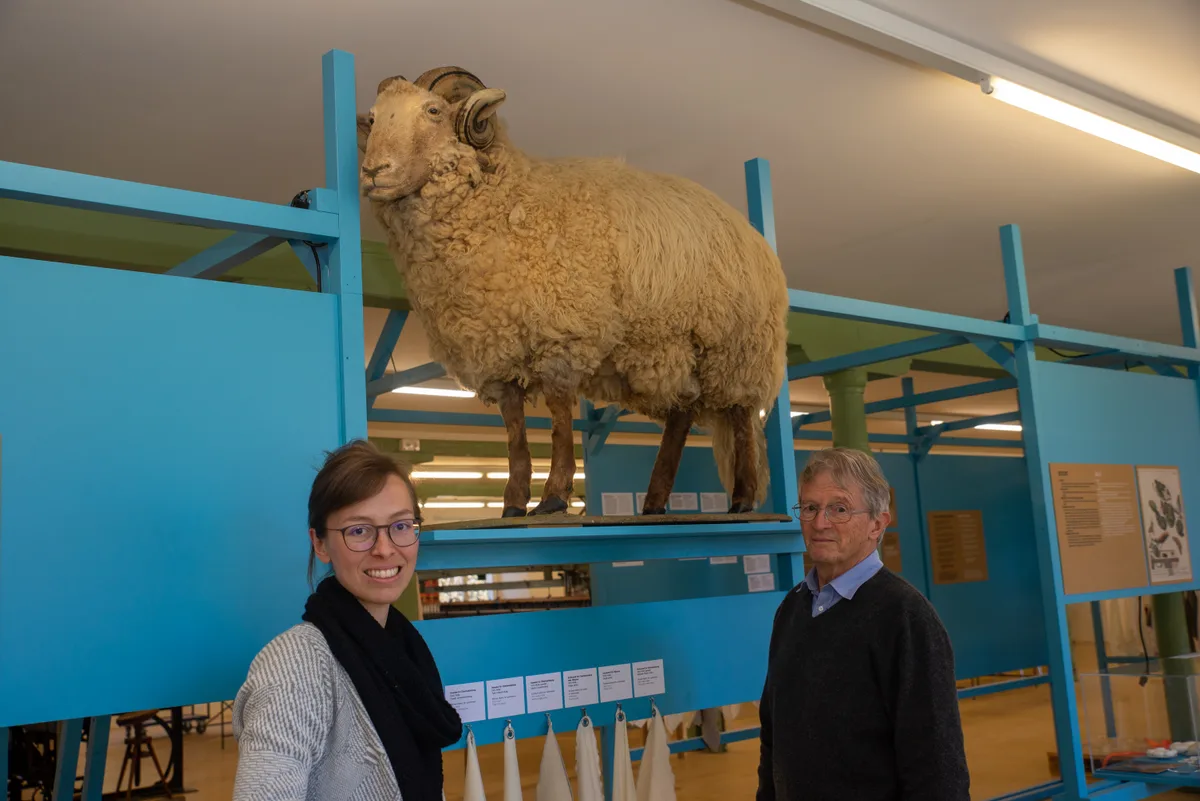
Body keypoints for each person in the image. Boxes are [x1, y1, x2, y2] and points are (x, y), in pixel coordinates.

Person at [231, 439, 462, 801]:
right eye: (359, 530)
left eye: (400, 525)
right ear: (320, 544)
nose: (385, 548)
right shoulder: (296, 665)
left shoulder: (403, 651)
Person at [755, 447, 970, 801]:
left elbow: (936, 764)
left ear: (877, 524)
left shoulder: (906, 617)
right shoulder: (792, 608)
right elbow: (773, 737)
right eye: (810, 508)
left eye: (839, 509)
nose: (820, 523)